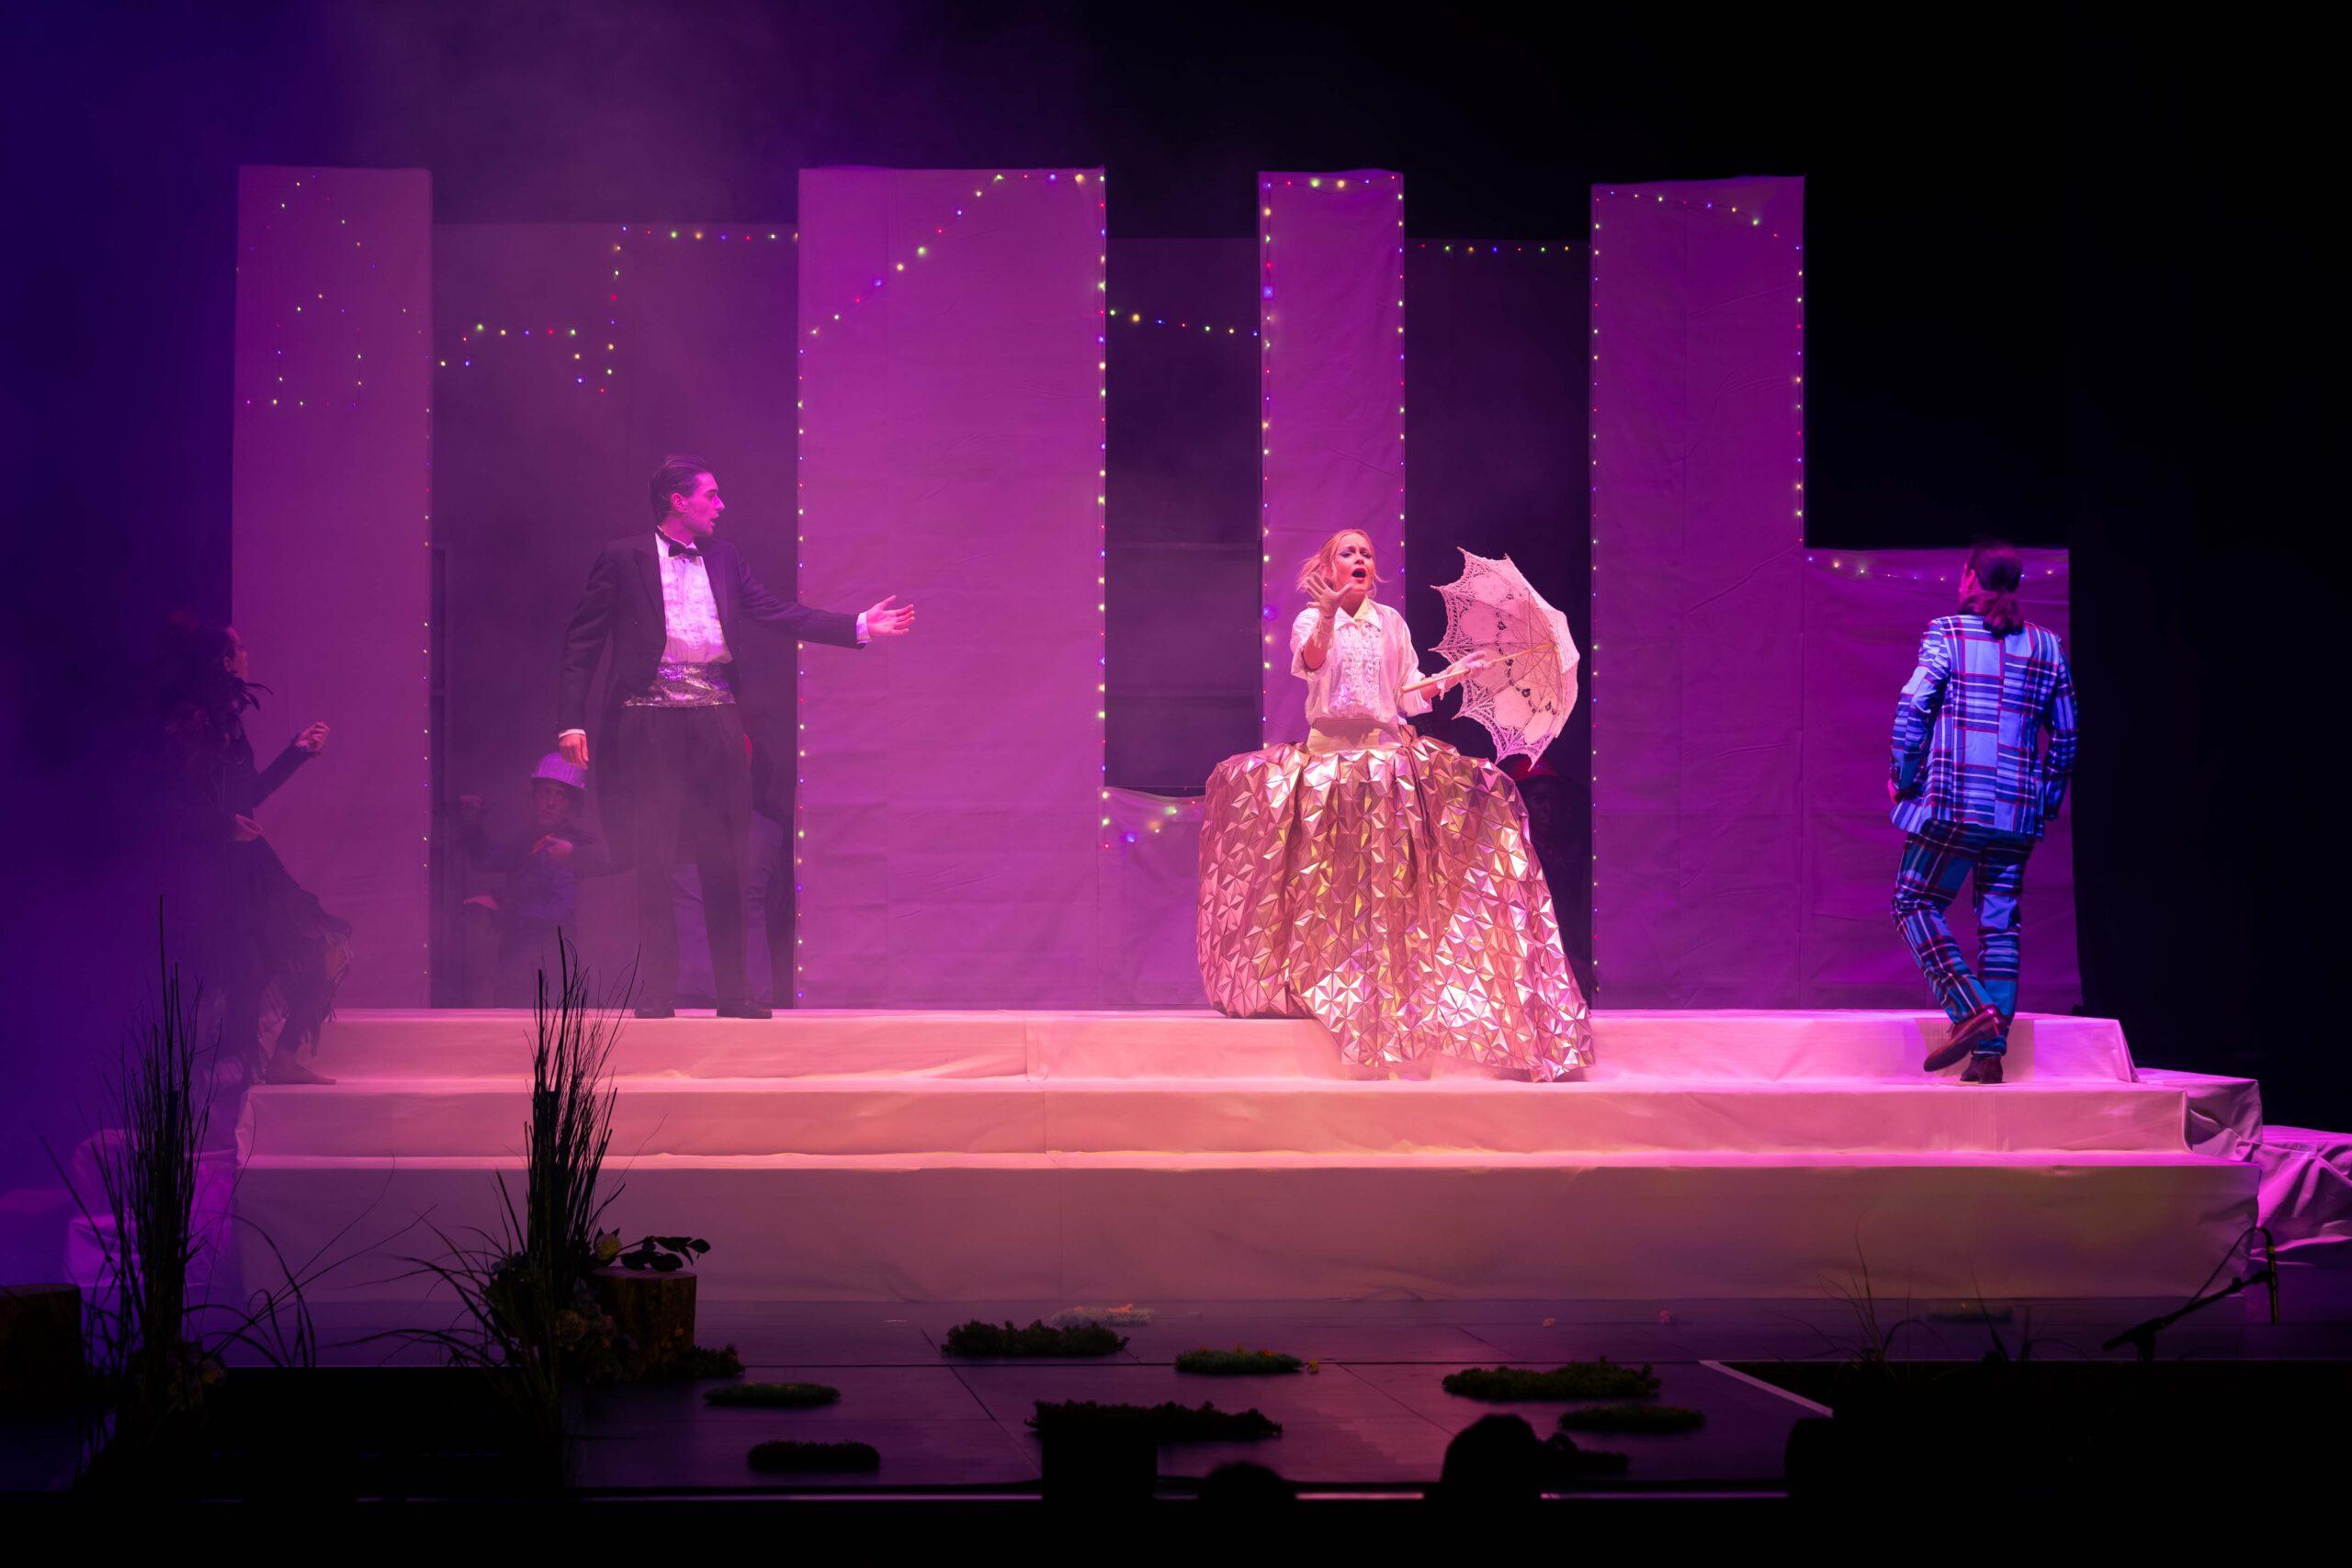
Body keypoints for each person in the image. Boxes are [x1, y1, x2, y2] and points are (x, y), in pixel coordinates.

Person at [1196, 528, 1593, 1079]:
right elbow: (1312, 662)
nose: (1359, 558)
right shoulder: (1312, 620)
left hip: (1385, 762)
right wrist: (1329, 614)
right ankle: (1318, 983)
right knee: (1327, 886)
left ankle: (1412, 992)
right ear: (1329, 569)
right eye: (1348, 552)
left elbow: (1407, 692)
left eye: (1366, 553)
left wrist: (1452, 677)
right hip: (1330, 763)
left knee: (1413, 859)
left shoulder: (1391, 623)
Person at [557, 455, 913, 1019]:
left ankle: (734, 992)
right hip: (647, 720)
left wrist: (856, 626)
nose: (721, 506)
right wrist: (571, 720)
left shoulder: (724, 558)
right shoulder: (623, 558)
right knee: (653, 855)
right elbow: (583, 642)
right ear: (679, 501)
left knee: (725, 851)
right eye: (711, 495)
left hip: (715, 719)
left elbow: (774, 611)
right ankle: (657, 992)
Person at [1889, 539, 2078, 1084]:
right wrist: (2044, 801)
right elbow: (2067, 737)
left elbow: (1914, 706)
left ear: (1971, 577)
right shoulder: (2047, 646)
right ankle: (1989, 1056)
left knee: (1913, 901)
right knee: (1999, 925)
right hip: (2016, 811)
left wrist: (1903, 777)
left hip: (1955, 800)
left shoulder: (1948, 632)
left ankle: (1972, 1010)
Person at [150, 614, 350, 1085]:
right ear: (224, 661)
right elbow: (165, 808)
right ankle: (226, 1074)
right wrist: (222, 827)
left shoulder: (229, 722)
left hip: (251, 863)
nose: (246, 655)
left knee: (326, 947)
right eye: (238, 649)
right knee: (247, 969)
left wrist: (296, 753)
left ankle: (283, 1059)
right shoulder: (194, 725)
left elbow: (249, 795)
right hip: (220, 870)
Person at [455, 751, 613, 1005]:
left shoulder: (572, 850)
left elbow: (561, 911)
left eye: (560, 796)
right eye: (545, 793)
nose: (550, 802)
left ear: (572, 807)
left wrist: (502, 908)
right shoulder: (527, 841)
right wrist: (472, 824)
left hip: (551, 967)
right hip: (518, 966)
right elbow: (487, 860)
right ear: (532, 798)